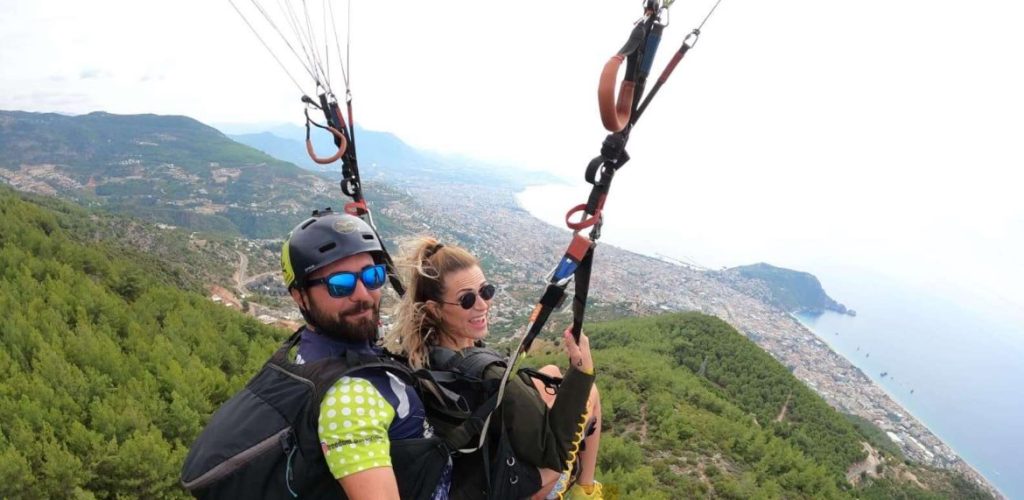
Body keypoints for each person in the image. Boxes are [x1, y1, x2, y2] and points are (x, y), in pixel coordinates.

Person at [385, 237, 604, 500]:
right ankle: (586, 489)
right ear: (435, 310)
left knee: (551, 372)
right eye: (467, 300)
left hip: (471, 464)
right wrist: (582, 371)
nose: (483, 304)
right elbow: (555, 452)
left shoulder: (420, 352)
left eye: (486, 291)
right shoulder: (489, 376)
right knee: (589, 393)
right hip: (506, 483)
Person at [281, 210, 452, 499]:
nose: (363, 294)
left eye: (373, 276)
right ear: (300, 296)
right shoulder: (347, 398)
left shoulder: (331, 346)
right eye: (340, 284)